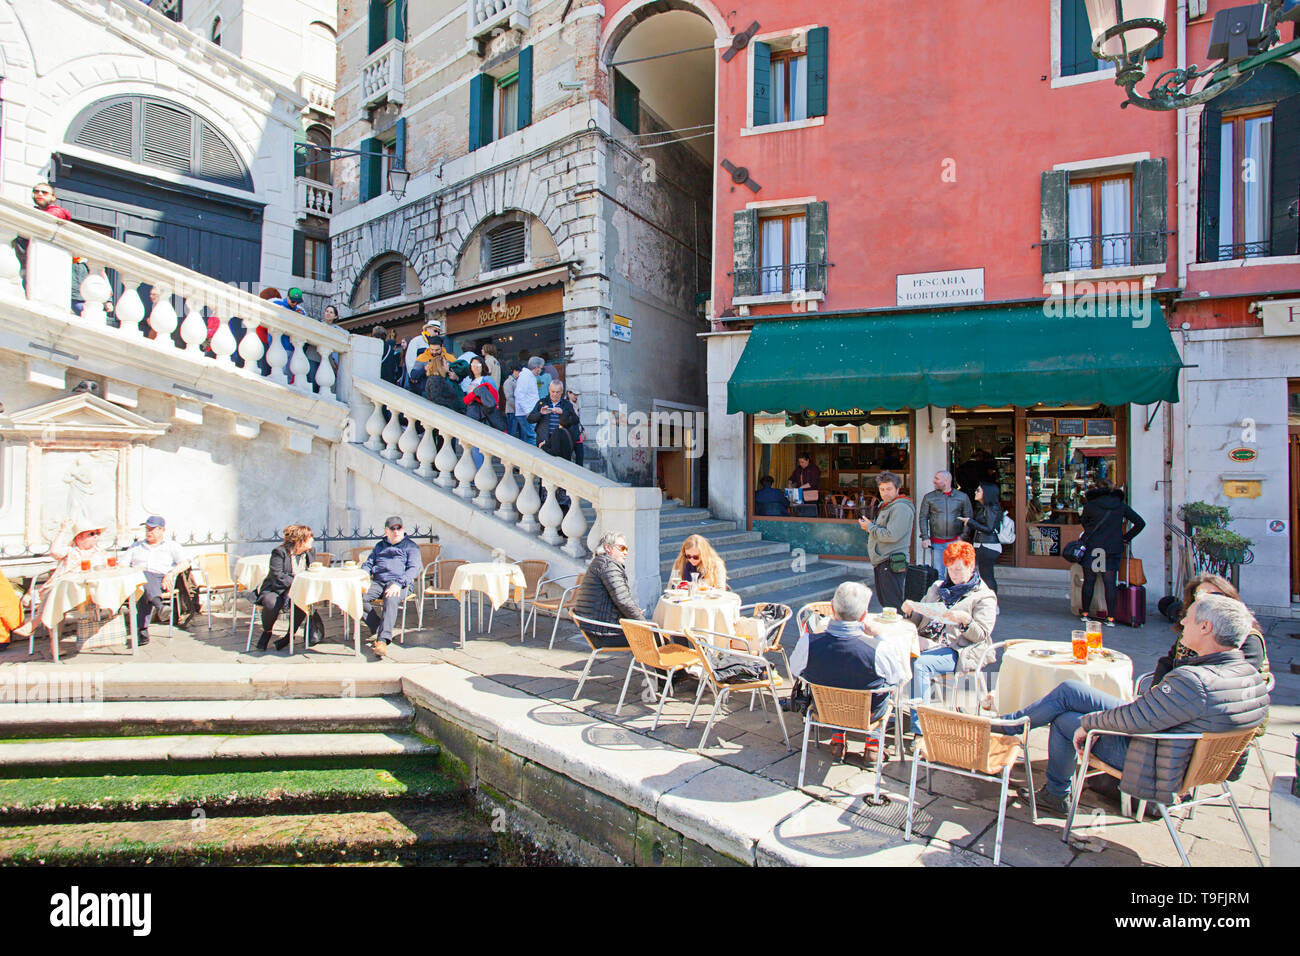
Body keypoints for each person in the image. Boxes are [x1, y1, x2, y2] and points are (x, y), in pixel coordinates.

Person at [999, 593, 1269, 814]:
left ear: (1205, 627)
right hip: (1178, 747)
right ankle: (1012, 725)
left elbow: (1134, 720)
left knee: (1066, 721)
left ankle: (1055, 793)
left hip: (1158, 760)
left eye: (1189, 616)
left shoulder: (1194, 681)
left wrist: (1087, 724)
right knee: (1071, 690)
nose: (1183, 622)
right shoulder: (1251, 678)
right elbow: (1149, 714)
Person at [789, 581, 907, 759]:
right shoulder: (878, 649)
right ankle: (873, 746)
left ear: (832, 609)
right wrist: (879, 636)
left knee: (833, 682)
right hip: (869, 714)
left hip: (825, 709)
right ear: (864, 616)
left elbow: (795, 670)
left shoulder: (808, 642)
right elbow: (899, 679)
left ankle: (838, 739)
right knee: (882, 686)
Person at [901, 540, 997, 736]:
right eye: (950, 570)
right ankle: (883, 712)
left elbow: (981, 635)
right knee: (892, 649)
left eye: (959, 570)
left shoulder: (983, 596)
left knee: (921, 664)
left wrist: (965, 621)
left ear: (970, 567)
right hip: (927, 639)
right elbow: (919, 618)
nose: (954, 575)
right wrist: (910, 610)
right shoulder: (938, 587)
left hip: (959, 649)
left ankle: (920, 730)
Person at [11, 518, 109, 640]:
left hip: (86, 590)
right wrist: (63, 530)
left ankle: (35, 623)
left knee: (54, 598)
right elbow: (54, 552)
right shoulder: (70, 551)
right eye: (91, 534)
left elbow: (105, 571)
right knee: (56, 599)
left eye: (97, 533)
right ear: (78, 538)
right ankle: (54, 645)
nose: (96, 536)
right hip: (65, 590)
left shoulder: (100, 553)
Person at [1078, 478, 1146, 627]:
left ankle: (1085, 614)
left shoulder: (1090, 505)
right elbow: (1140, 523)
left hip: (1093, 547)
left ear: (1097, 488)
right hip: (1112, 548)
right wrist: (1125, 538)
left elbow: (1084, 522)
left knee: (1089, 581)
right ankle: (1110, 618)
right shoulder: (1120, 506)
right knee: (1110, 583)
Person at [124, 516, 197, 645]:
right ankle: (160, 606)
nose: (148, 532)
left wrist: (171, 573)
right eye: (147, 529)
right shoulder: (136, 546)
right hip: (137, 580)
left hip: (161, 580)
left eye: (152, 529)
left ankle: (142, 630)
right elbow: (122, 564)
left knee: (145, 585)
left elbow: (186, 562)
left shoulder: (171, 546)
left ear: (162, 530)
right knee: (143, 578)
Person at [360, 516, 421, 657]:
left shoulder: (410, 546)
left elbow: (413, 569)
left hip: (400, 583)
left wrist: (398, 584)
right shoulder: (379, 546)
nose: (396, 531)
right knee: (356, 596)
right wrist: (363, 576)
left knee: (391, 597)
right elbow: (368, 563)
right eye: (393, 528)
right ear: (386, 531)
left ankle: (382, 640)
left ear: (403, 529)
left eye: (399, 528)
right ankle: (377, 626)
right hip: (378, 582)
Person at [255, 524, 322, 651]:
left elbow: (312, 569)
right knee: (271, 603)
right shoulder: (280, 552)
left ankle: (289, 636)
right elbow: (277, 575)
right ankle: (267, 631)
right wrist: (297, 582)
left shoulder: (310, 551)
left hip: (298, 589)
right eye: (310, 537)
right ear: (300, 540)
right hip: (276, 588)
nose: (312, 540)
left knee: (302, 601)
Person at [574, 531, 648, 644]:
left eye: (626, 549)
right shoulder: (608, 566)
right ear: (608, 548)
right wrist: (646, 625)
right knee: (662, 639)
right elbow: (623, 601)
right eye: (622, 548)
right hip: (603, 634)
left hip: (595, 628)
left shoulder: (600, 563)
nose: (626, 553)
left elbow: (618, 600)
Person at [858, 471, 914, 613]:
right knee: (886, 602)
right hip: (882, 560)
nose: (885, 493)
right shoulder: (886, 505)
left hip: (891, 561)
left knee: (893, 605)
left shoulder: (900, 507)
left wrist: (870, 527)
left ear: (897, 489)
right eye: (882, 489)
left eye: (889, 489)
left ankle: (899, 633)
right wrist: (871, 527)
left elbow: (892, 535)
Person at [919, 470, 971, 576]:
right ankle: (940, 593)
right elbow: (923, 517)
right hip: (936, 542)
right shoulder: (929, 497)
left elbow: (969, 519)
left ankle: (953, 593)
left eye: (937, 479)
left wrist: (963, 536)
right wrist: (925, 537)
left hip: (956, 541)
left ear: (946, 480)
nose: (934, 481)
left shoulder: (962, 497)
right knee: (939, 574)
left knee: (956, 574)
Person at [961, 482, 1003, 593]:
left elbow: (989, 528)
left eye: (978, 490)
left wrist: (970, 522)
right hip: (982, 544)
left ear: (986, 493)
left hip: (988, 545)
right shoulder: (984, 507)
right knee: (985, 575)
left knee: (987, 576)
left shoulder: (992, 508)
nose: (975, 492)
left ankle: (992, 604)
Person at [527, 380, 577, 450]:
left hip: (561, 442)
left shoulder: (567, 404)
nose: (555, 394)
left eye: (557, 392)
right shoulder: (542, 402)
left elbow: (575, 420)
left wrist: (563, 412)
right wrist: (540, 413)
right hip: (543, 441)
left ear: (562, 391)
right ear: (549, 390)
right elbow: (530, 419)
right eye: (553, 391)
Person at [464, 356, 506, 431]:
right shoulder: (472, 381)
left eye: (478, 365)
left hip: (484, 413)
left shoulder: (487, 379)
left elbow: (494, 396)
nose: (475, 367)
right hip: (473, 412)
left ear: (483, 366)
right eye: (473, 365)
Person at [405, 318, 445, 395]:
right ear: (428, 329)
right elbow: (410, 358)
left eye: (438, 332)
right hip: (419, 379)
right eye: (435, 331)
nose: (437, 334)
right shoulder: (416, 341)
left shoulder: (438, 344)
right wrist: (412, 376)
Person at [513, 357, 543, 444]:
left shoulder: (529, 376)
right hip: (527, 413)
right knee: (533, 436)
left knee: (530, 436)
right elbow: (519, 394)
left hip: (528, 412)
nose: (541, 370)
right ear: (536, 367)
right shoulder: (525, 377)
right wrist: (527, 411)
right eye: (540, 368)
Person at [566, 389, 587, 465]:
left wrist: (582, 429)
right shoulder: (566, 405)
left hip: (578, 435)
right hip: (570, 435)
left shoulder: (577, 404)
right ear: (569, 393)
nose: (576, 396)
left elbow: (578, 420)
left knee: (580, 458)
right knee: (568, 459)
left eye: (577, 395)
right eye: (574, 394)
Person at [504, 364, 522, 438]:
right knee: (512, 433)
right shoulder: (508, 382)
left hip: (517, 411)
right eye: (518, 372)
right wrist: (517, 408)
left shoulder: (516, 381)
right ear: (514, 371)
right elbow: (509, 398)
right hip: (512, 411)